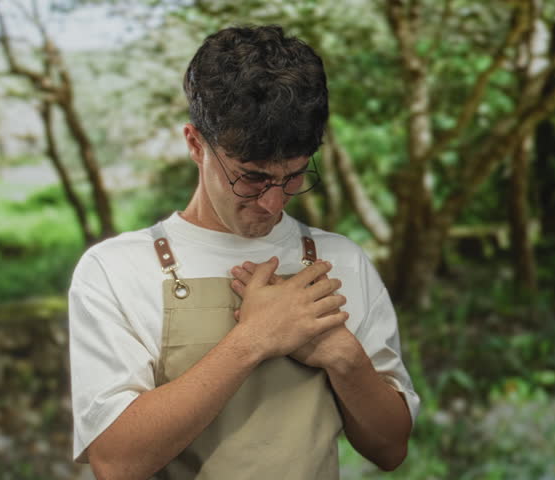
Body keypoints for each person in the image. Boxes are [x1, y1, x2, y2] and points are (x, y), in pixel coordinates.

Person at [68, 24, 419, 479]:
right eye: (251, 178)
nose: (274, 203)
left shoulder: (344, 260)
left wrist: (341, 354)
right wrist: (253, 341)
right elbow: (116, 463)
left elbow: (390, 449)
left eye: (292, 175)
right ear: (196, 144)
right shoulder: (115, 269)